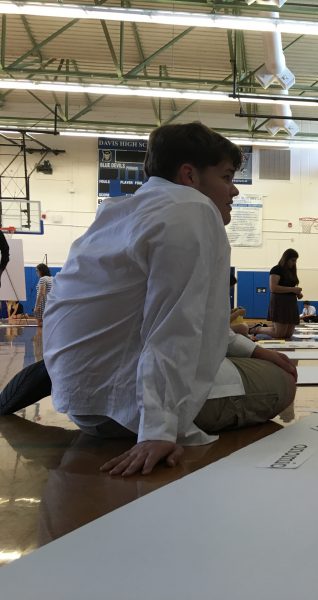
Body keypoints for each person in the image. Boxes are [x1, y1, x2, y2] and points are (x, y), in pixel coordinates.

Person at [42, 121, 298, 477]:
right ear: (190, 175)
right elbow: (175, 326)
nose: (234, 192)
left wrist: (255, 349)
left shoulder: (120, 212)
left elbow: (192, 320)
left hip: (82, 400)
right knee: (280, 383)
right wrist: (158, 431)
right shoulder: (192, 210)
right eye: (226, 177)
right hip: (126, 413)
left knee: (253, 362)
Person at [251, 249, 302, 339]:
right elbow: (273, 288)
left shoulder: (291, 271)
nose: (294, 263)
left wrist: (297, 293)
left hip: (291, 303)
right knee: (279, 333)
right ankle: (256, 329)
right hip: (280, 302)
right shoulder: (276, 269)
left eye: (295, 261)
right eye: (292, 260)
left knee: (288, 335)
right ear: (286, 259)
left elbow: (290, 287)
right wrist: (293, 289)